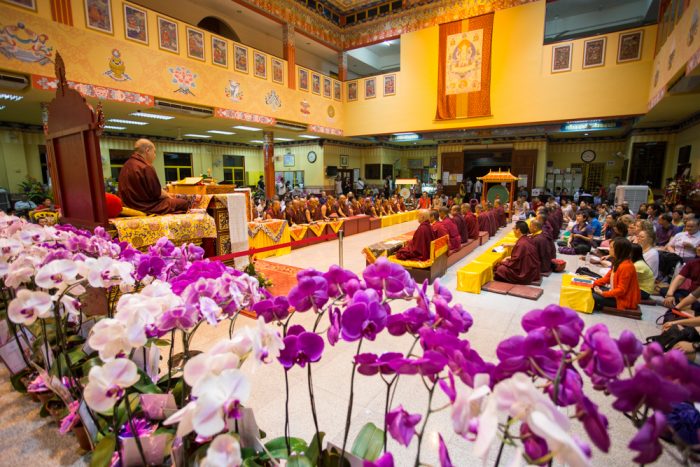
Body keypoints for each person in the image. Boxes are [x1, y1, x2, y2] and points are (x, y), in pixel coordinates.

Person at [118, 139, 190, 214]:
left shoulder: (126, 165)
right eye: (154, 152)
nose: (155, 155)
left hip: (127, 206)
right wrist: (168, 196)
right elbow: (157, 194)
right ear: (147, 150)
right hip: (144, 206)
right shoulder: (145, 167)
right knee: (183, 203)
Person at [592, 238, 640, 311]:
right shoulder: (618, 261)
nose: (609, 249)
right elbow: (607, 278)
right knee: (591, 289)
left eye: (611, 248)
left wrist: (603, 293)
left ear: (619, 250)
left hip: (623, 300)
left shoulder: (626, 266)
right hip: (616, 294)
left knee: (593, 296)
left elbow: (621, 290)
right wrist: (592, 284)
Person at [660, 246, 700, 311]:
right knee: (664, 290)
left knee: (697, 305)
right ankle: (686, 305)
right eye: (699, 246)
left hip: (697, 297)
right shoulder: (693, 263)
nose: (698, 248)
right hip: (689, 294)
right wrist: (670, 295)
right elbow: (679, 278)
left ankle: (684, 304)